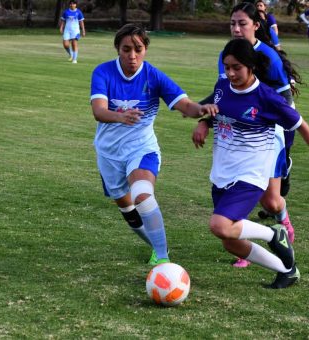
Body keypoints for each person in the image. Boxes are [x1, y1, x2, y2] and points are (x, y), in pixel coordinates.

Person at [200, 38, 309, 289]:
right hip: (222, 173)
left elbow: (301, 125)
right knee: (230, 241)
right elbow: (215, 108)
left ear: (251, 66)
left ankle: (273, 233)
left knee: (219, 225)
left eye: (237, 67)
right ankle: (287, 270)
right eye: (227, 66)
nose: (230, 73)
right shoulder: (222, 86)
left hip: (250, 175)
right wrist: (202, 124)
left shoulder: (266, 97)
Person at [90, 23, 217, 266]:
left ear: (146, 49)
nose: (132, 56)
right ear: (118, 49)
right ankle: (157, 246)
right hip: (109, 153)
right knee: (127, 209)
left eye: (138, 48)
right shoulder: (103, 72)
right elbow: (99, 111)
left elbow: (186, 105)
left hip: (142, 148)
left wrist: (201, 109)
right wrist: (120, 116)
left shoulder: (154, 76)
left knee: (142, 194)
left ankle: (163, 258)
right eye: (126, 49)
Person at [193, 2, 301, 268]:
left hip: (270, 132)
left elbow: (286, 100)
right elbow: (225, 96)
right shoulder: (227, 53)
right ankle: (246, 250)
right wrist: (203, 116)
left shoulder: (269, 57)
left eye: (242, 23)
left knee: (272, 202)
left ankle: (282, 224)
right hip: (240, 133)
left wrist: (281, 145)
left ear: (255, 25)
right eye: (232, 23)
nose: (237, 28)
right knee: (238, 183)